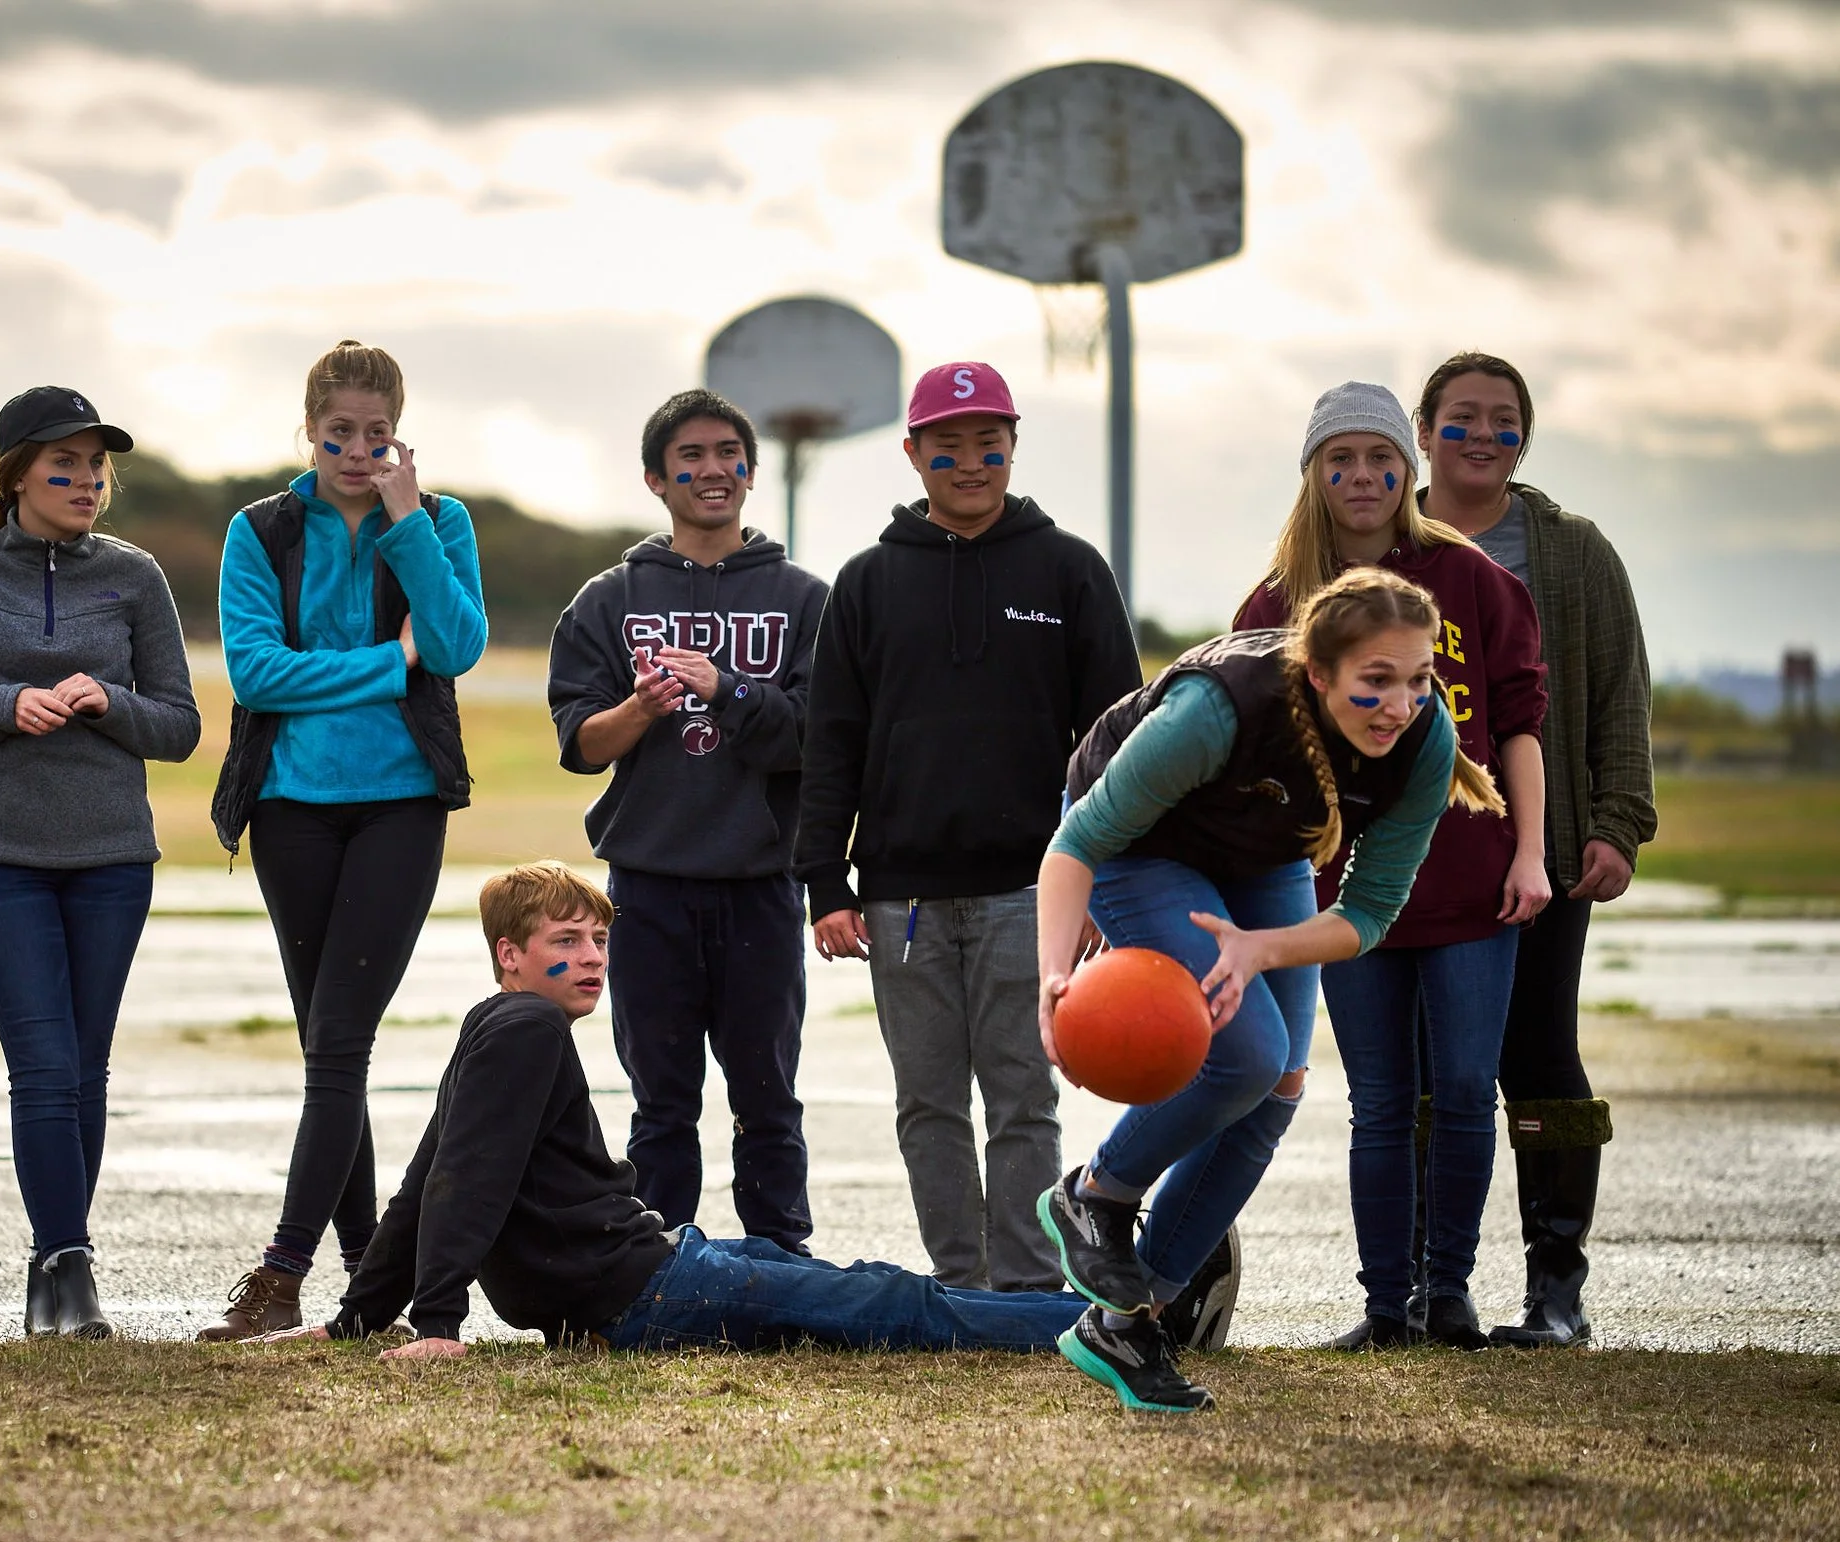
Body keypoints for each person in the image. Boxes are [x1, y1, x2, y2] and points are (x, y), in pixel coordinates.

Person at [254, 863, 1250, 1359]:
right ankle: (1125, 1323)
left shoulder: (497, 1026)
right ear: (509, 953)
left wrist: (356, 1319)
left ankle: (1115, 1317)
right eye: (566, 940)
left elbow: (436, 1175)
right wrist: (422, 1321)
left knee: (859, 1286)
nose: (592, 958)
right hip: (650, 1294)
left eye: (598, 940)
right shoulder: (515, 1030)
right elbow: (454, 1174)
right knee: (890, 1304)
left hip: (661, 1263)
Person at [1036, 569, 1507, 1410]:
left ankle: (1131, 1318)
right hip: (1141, 843)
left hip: (1260, 853)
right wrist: (1054, 976)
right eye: (1375, 681)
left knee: (1279, 1082)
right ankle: (1094, 1193)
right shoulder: (1220, 709)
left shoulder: (1426, 740)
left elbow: (1367, 913)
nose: (1399, 703)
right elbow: (1080, 838)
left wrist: (1261, 947)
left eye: (1416, 678)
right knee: (1246, 1052)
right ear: (1319, 673)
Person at [795, 361, 1140, 1292]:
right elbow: (832, 740)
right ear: (913, 454)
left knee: (1026, 1098)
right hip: (901, 895)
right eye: (947, 445)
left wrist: (1109, 878)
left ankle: (1026, 1288)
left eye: (989, 442)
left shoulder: (1068, 568)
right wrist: (826, 881)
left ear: (1013, 446)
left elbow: (1120, 740)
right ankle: (959, 1281)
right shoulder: (865, 583)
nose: (971, 461)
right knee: (928, 1103)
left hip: (1033, 892)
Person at [1232, 381, 1550, 1350]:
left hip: (1466, 874)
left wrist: (1530, 851)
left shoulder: (1470, 580)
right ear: (1314, 475)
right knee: (1376, 1102)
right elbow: (1243, 745)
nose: (1361, 477)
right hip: (1341, 890)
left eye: (1379, 460)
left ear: (1406, 473)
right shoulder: (1278, 598)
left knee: (1460, 1089)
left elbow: (1520, 723)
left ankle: (1445, 1294)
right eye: (1340, 461)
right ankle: (1384, 1307)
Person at [0, 386, 201, 1340]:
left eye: (98, 467)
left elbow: (180, 728)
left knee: (86, 1067)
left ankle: (56, 1265)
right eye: (64, 466)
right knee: (45, 1063)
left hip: (112, 856)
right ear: (17, 474)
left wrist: (108, 699)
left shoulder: (137, 577)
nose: (86, 482)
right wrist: (2, 705)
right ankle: (69, 1267)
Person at [200, 340, 489, 1340]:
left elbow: (452, 649)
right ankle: (369, 1279)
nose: (357, 450)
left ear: (399, 433)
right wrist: (385, 660)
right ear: (310, 429)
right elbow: (256, 675)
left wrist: (407, 524)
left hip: (401, 805)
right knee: (335, 1047)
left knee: (337, 1045)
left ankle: (283, 1275)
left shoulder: (439, 523)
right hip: (290, 809)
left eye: (376, 434)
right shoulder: (260, 530)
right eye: (340, 432)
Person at [545, 390, 828, 1249]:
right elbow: (582, 743)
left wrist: (730, 688)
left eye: (728, 453)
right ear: (656, 479)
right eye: (691, 457)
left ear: (750, 468)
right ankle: (659, 1264)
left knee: (767, 1097)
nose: (713, 469)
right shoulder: (609, 598)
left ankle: (782, 1260)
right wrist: (640, 708)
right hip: (650, 884)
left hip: (759, 884)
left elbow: (815, 740)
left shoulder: (805, 598)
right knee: (662, 1100)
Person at [1413, 352, 1655, 1348]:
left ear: (1526, 438)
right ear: (1424, 430)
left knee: (1539, 1056)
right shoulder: (1375, 535)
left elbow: (1618, 696)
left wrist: (1615, 823)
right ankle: (1431, 1289)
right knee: (1424, 1071)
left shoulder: (1570, 553)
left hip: (1539, 852)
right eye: (1460, 419)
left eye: (1503, 422)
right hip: (1409, 855)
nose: (1481, 436)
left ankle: (1557, 1286)